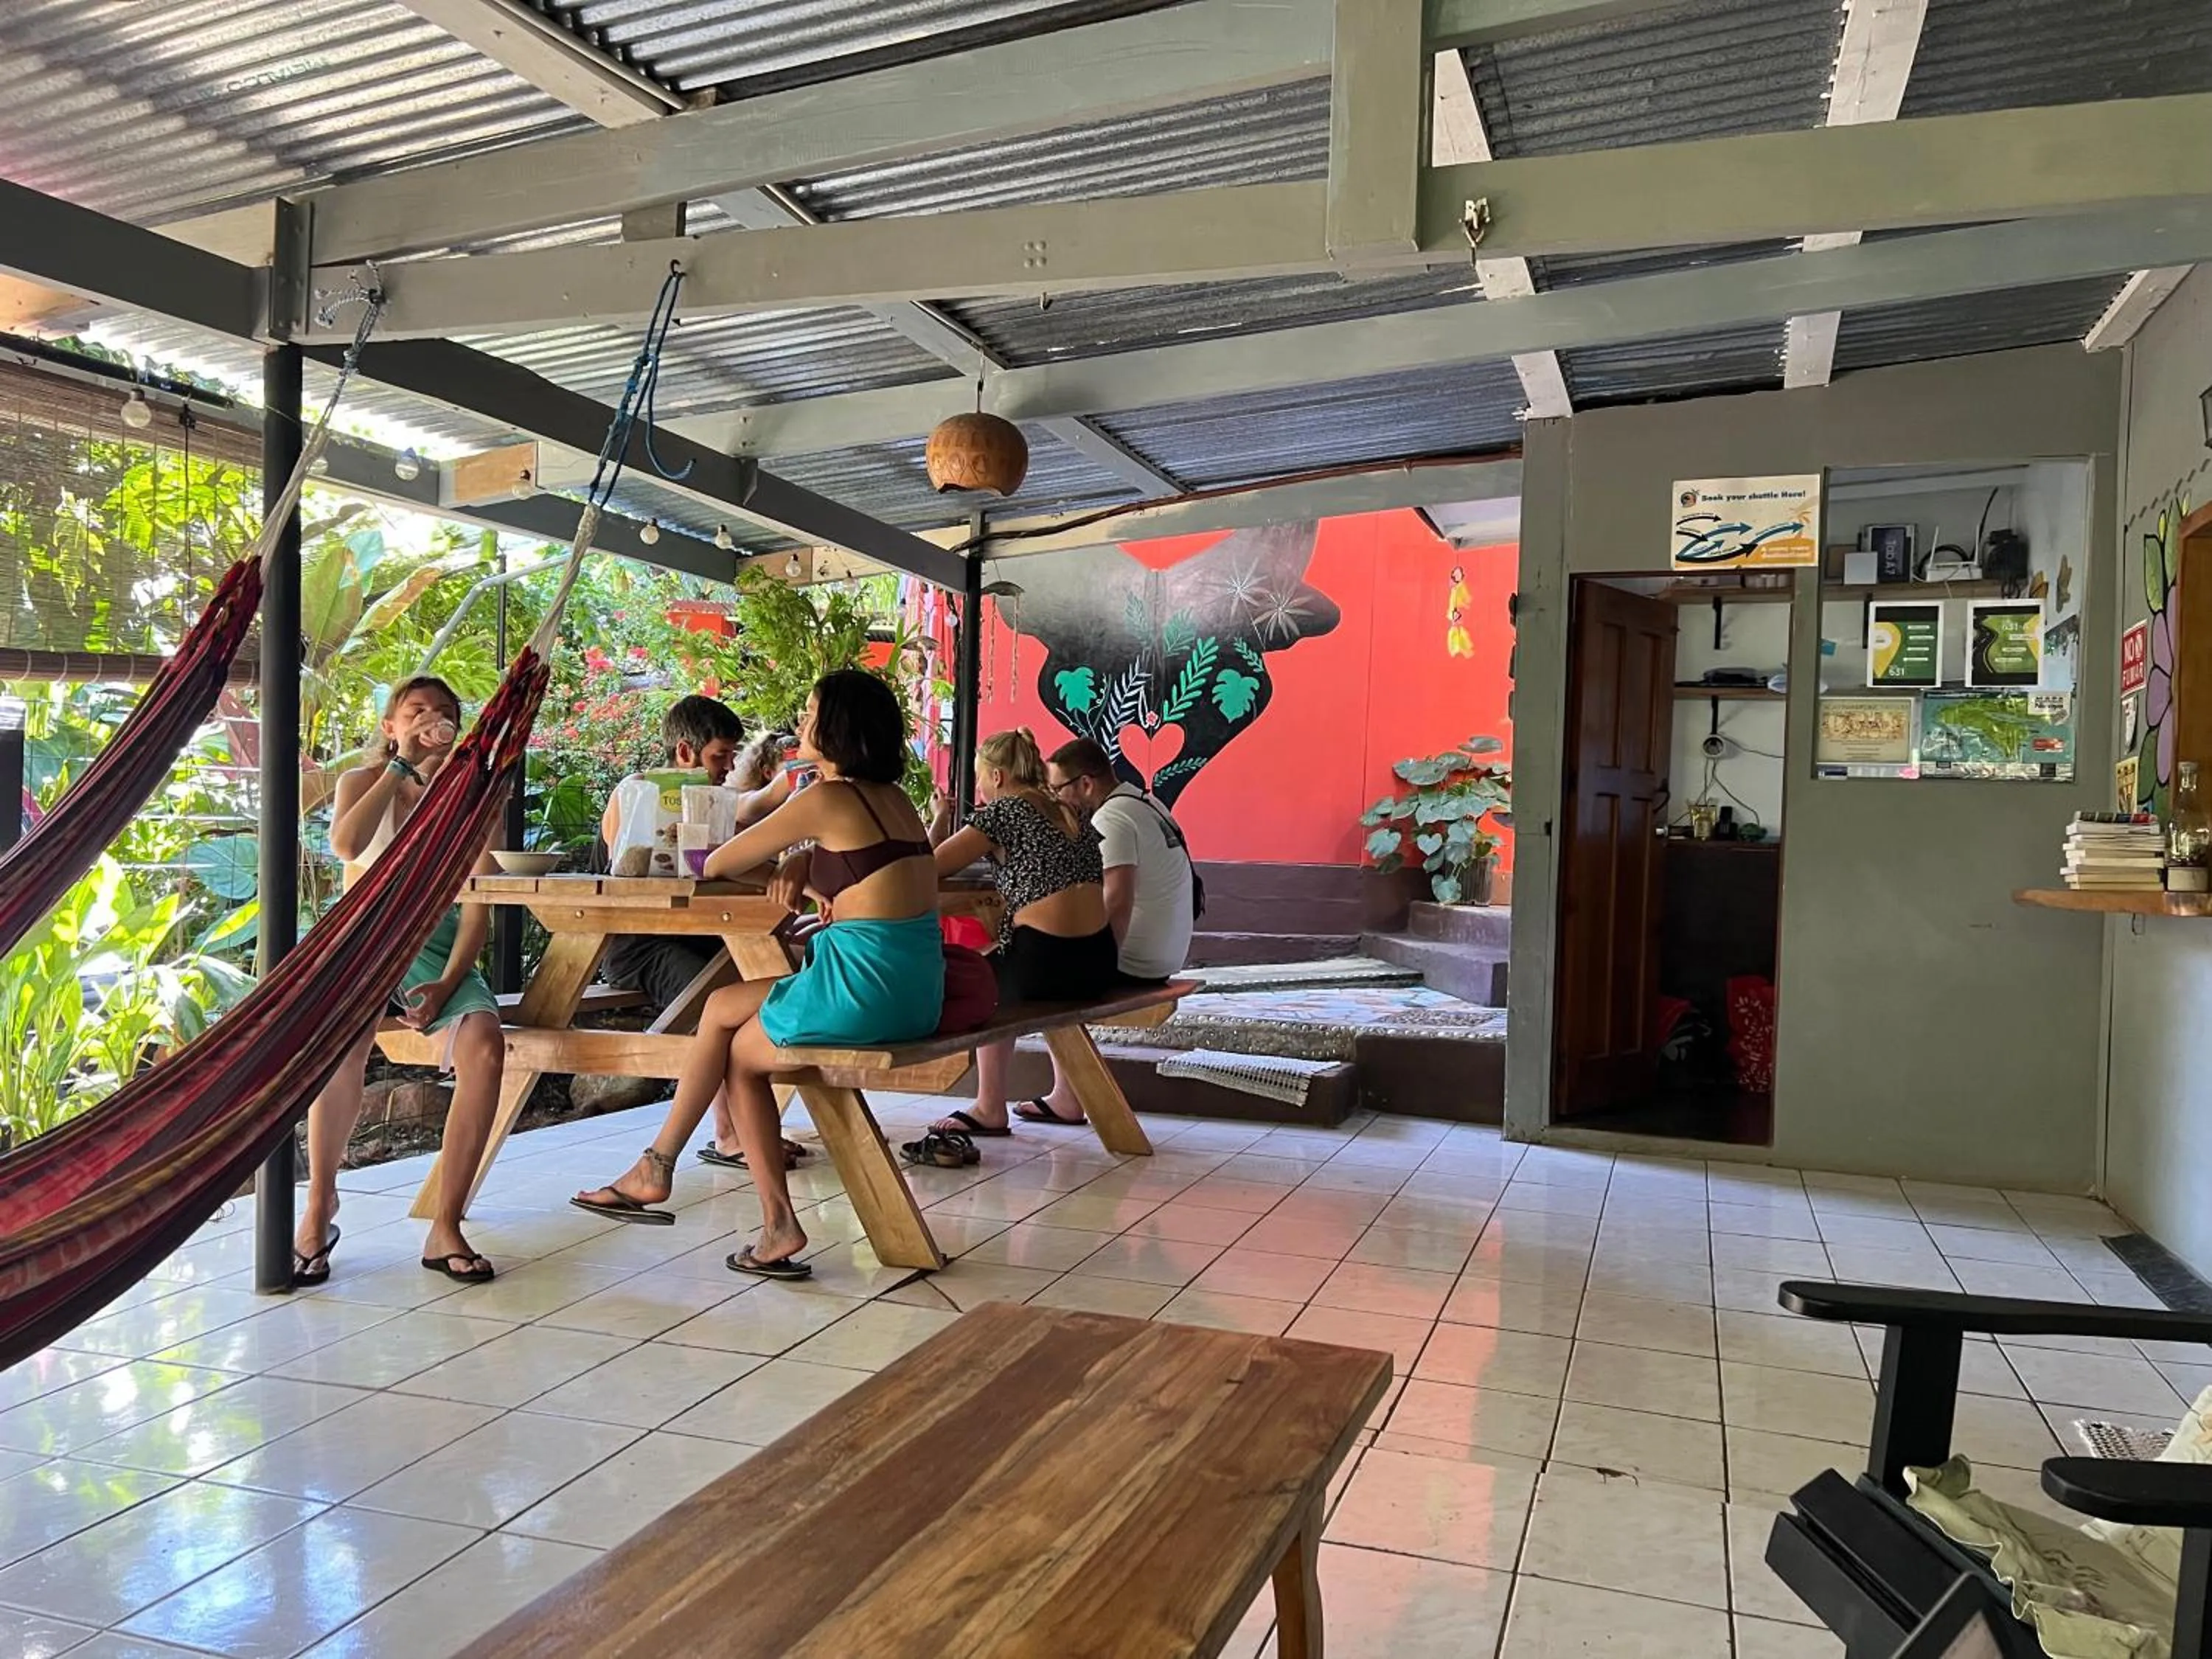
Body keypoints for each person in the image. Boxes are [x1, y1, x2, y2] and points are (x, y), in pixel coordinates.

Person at [571, 670, 944, 1280]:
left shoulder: (826, 799)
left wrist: (792, 863)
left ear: (838, 727)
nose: (801, 722)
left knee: (741, 1059)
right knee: (721, 1008)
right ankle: (657, 1165)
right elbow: (859, 869)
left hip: (861, 993)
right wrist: (804, 863)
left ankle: (771, 1222)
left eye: (811, 711)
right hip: (916, 991)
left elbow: (712, 861)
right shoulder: (894, 800)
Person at [295, 676, 503, 1287]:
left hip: (437, 946)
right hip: (367, 937)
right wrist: (402, 767)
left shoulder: (473, 797)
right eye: (415, 711)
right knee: (343, 1044)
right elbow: (346, 845)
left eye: (443, 711)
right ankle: (319, 1204)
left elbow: (478, 907)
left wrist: (449, 982)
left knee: (486, 1048)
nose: (430, 718)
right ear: (391, 727)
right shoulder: (362, 782)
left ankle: (446, 1224)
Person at [910, 728, 1115, 1161]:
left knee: (980, 979)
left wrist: (939, 819)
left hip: (1047, 964)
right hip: (1098, 961)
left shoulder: (1004, 812)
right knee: (999, 959)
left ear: (998, 777)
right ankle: (1059, 1097)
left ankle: (989, 1106)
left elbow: (923, 870)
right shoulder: (1067, 809)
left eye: (980, 777)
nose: (980, 789)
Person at [1012, 736, 1197, 1126]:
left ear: (1085, 784)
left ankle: (1006, 1102)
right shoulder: (1145, 802)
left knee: (1032, 969)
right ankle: (1064, 1095)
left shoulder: (1110, 819)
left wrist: (1094, 963)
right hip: (1165, 955)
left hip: (1137, 962)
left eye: (1058, 789)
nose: (1056, 798)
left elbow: (1118, 902)